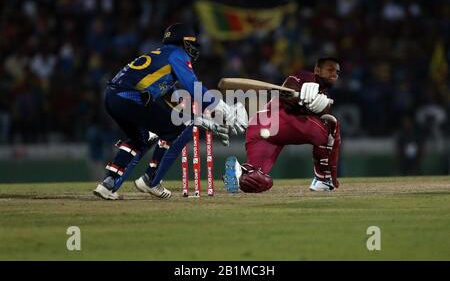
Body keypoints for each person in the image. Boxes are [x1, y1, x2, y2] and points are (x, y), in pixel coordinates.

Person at [93, 23, 247, 200]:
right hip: (130, 97)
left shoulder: (162, 57)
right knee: (175, 130)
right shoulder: (177, 54)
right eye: (191, 43)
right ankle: (151, 179)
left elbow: (176, 105)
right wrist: (226, 110)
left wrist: (210, 119)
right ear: (181, 41)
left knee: (140, 139)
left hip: (113, 97)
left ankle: (108, 184)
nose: (194, 49)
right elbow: (194, 87)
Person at [223, 57, 341, 193]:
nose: (334, 74)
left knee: (256, 179)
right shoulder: (306, 76)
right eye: (330, 70)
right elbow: (287, 90)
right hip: (280, 119)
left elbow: (323, 110)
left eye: (337, 72)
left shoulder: (324, 93)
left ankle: (238, 173)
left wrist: (319, 105)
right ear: (317, 70)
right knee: (332, 125)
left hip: (259, 126)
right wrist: (300, 97)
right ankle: (324, 180)